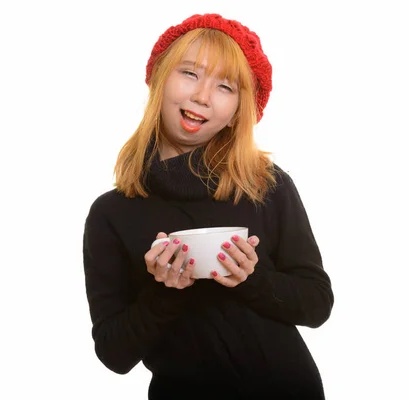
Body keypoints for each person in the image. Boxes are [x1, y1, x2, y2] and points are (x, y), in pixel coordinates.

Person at [82, 12, 334, 399]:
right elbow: (114, 354)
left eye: (225, 86)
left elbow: (317, 304)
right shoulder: (111, 214)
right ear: (159, 79)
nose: (202, 96)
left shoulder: (266, 185)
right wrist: (164, 290)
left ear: (237, 112)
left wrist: (252, 278)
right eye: (190, 73)